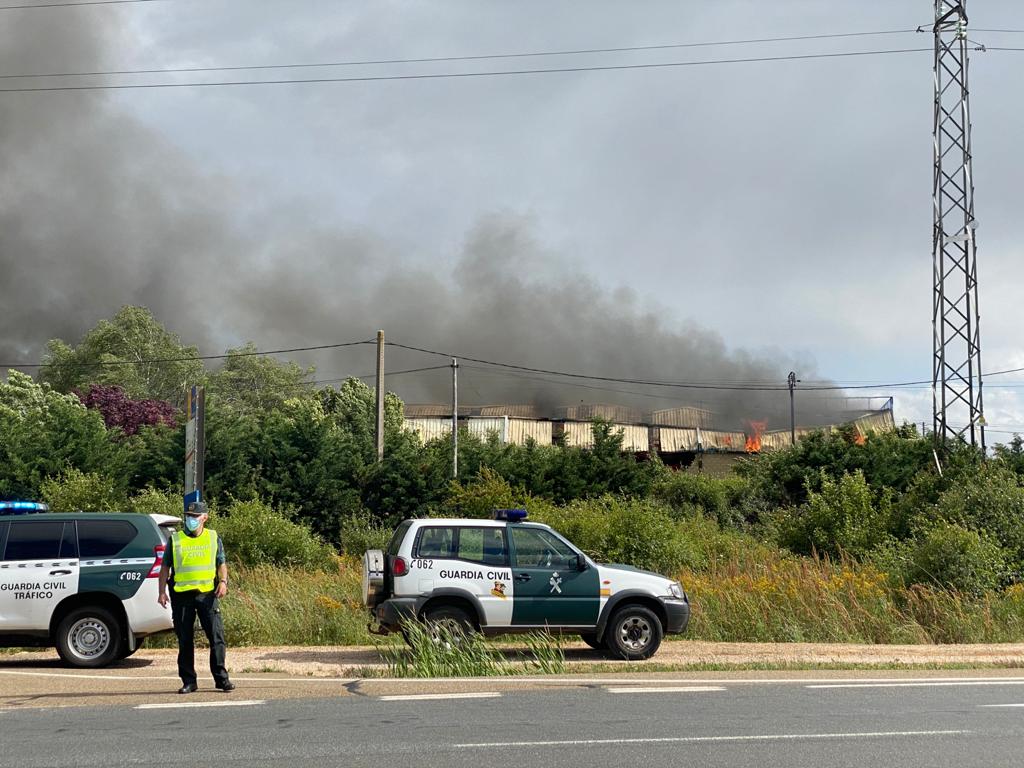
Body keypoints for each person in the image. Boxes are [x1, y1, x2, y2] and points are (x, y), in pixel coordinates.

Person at [158, 501, 235, 694]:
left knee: (216, 637)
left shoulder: (212, 537)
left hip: (207, 594)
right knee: (185, 639)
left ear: (204, 518)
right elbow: (165, 568)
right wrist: (161, 592)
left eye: (194, 516)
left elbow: (221, 563)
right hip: (182, 596)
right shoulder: (175, 540)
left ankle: (221, 679)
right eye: (188, 516)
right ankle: (189, 681)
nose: (190, 520)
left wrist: (223, 582)